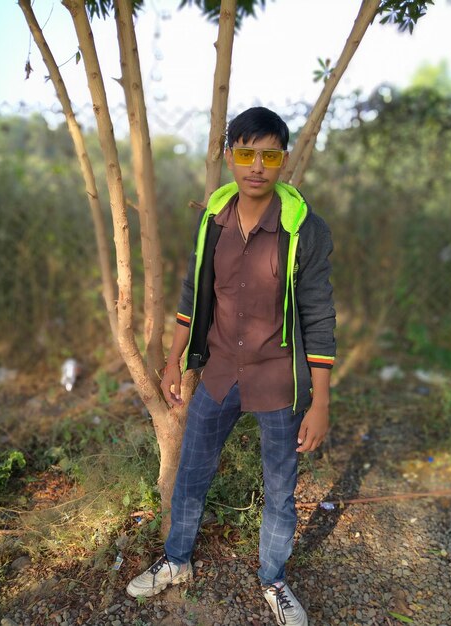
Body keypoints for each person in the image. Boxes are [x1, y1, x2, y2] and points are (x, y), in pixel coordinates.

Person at [126, 106, 336, 626]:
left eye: (270, 154)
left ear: (283, 160)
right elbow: (193, 295)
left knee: (281, 487)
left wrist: (322, 399)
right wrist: (174, 361)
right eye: (246, 153)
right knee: (192, 473)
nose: (257, 166)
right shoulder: (213, 220)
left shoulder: (304, 230)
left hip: (278, 379)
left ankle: (274, 580)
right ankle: (176, 561)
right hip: (219, 373)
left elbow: (319, 313)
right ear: (229, 157)